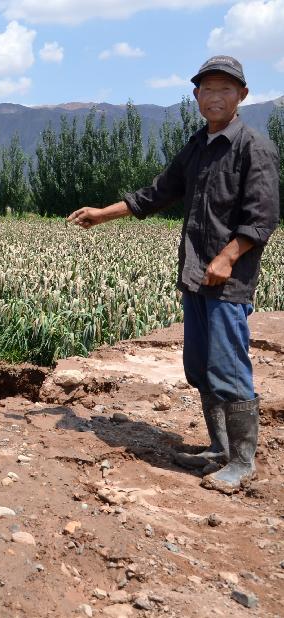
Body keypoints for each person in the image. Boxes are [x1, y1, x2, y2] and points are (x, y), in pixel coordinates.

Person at [67, 55, 280, 494]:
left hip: (228, 281)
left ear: (242, 95)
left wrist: (228, 257)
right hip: (196, 276)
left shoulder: (253, 148)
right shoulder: (198, 146)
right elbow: (157, 193)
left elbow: (261, 219)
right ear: (196, 96)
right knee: (200, 366)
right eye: (207, 89)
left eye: (225, 89)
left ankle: (242, 461)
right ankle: (219, 449)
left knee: (229, 367)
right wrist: (102, 214)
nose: (215, 96)